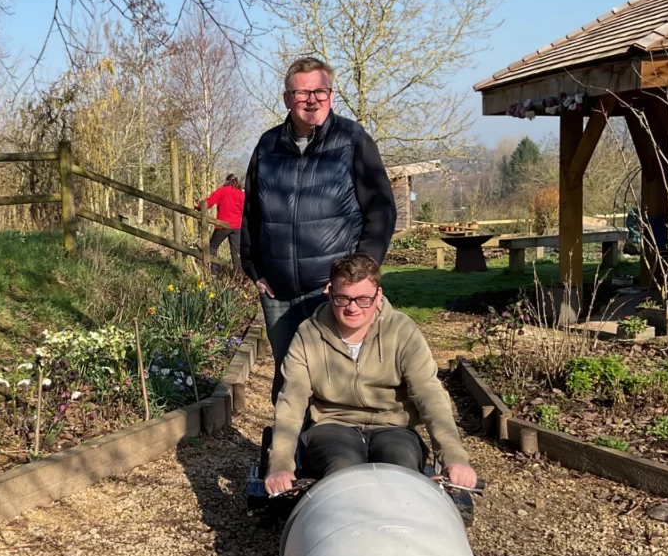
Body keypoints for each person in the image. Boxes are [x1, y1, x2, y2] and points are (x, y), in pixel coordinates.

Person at [240, 56, 397, 402]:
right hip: (278, 294)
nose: (312, 100)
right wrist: (254, 269)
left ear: (332, 94)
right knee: (289, 383)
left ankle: (333, 452)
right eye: (302, 93)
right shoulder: (267, 147)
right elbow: (251, 212)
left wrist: (356, 279)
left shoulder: (352, 140)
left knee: (336, 383)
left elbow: (381, 212)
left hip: (331, 293)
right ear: (286, 99)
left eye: (321, 91)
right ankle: (287, 454)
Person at [264, 253, 477, 494]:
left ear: (378, 295)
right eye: (343, 298)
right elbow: (292, 400)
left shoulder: (401, 330)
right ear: (330, 292)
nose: (353, 307)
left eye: (363, 299)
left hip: (394, 426)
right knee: (343, 471)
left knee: (400, 468)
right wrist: (281, 464)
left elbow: (429, 395)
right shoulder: (309, 334)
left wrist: (454, 457)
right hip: (333, 425)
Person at [198, 174, 245, 273]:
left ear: (227, 181)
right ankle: (238, 275)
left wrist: (198, 207)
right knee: (236, 251)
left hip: (223, 224)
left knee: (212, 246)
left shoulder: (222, 190)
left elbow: (209, 201)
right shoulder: (241, 193)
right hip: (237, 226)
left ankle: (214, 271)